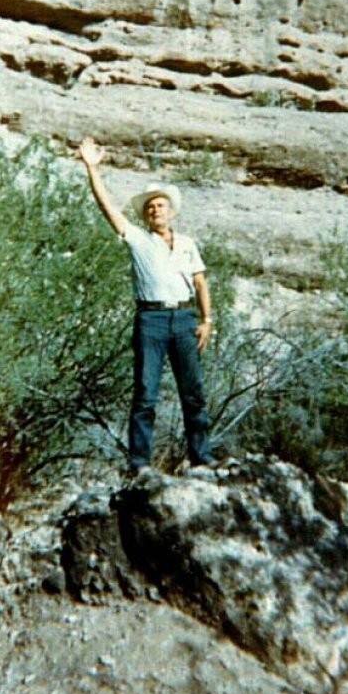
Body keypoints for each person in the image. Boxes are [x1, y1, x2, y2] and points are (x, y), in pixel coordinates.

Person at [78, 136, 214, 474]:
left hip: (184, 318)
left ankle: (201, 456)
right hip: (151, 320)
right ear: (146, 215)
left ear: (171, 211)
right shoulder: (138, 239)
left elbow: (200, 282)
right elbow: (108, 208)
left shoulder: (187, 243)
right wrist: (92, 168)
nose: (156, 211)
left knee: (193, 392)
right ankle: (139, 463)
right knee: (145, 393)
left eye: (161, 206)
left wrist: (207, 320)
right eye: (150, 208)